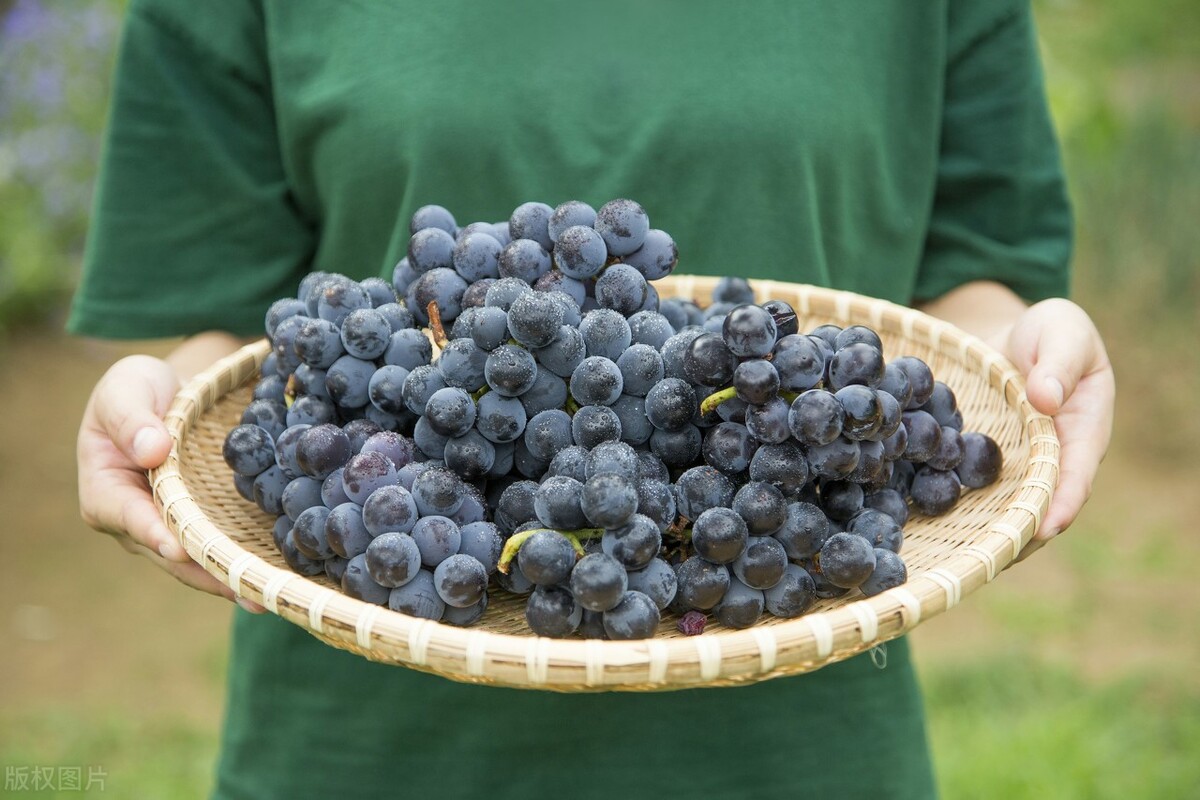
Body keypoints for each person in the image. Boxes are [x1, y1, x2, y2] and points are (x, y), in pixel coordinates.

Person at [70, 1, 1115, 797]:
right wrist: (160, 405)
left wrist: (1020, 361)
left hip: (799, 720)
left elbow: (973, 286)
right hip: (359, 720)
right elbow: (228, 334)